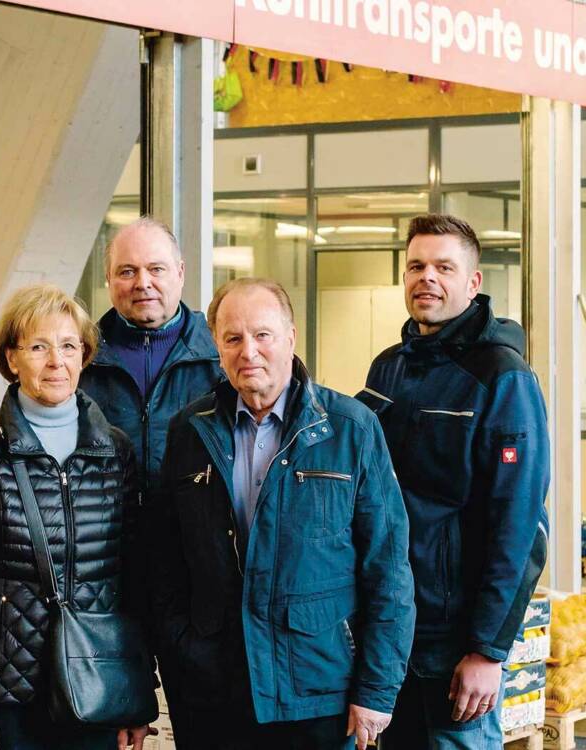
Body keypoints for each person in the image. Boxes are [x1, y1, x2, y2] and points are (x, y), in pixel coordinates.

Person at [150, 277, 415, 750]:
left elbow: (388, 569)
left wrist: (377, 689)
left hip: (317, 690)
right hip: (215, 689)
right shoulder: (189, 431)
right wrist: (182, 647)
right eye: (233, 338)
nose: (248, 351)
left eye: (262, 335)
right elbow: (166, 561)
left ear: (291, 338)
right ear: (217, 346)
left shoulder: (350, 429)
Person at [358, 214, 550, 749]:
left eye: (444, 267)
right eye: (416, 266)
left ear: (473, 282)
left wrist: (488, 651)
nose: (427, 278)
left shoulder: (503, 376)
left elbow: (522, 526)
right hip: (390, 626)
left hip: (454, 638)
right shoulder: (387, 369)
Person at [0, 284, 153, 750]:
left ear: (84, 356)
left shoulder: (113, 450)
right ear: (12, 359)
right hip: (11, 695)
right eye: (39, 346)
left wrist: (139, 693)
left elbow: (133, 579)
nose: (57, 361)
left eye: (69, 346)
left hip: (96, 682)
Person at [78, 217, 222, 496]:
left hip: (191, 535)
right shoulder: (80, 359)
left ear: (180, 273)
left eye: (156, 269)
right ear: (108, 278)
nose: (143, 283)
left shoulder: (220, 358)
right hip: (104, 534)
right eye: (127, 272)